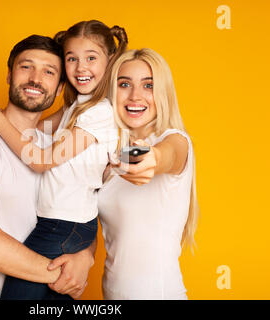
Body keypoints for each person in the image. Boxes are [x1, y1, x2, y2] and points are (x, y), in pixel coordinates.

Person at [0, 20, 128, 300]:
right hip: (65, 224)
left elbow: (41, 161)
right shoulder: (76, 106)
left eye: (91, 58)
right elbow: (35, 130)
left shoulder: (98, 113)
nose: (81, 67)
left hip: (63, 224)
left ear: (110, 61)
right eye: (72, 59)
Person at [0, 35, 95, 300]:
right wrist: (62, 275)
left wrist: (86, 256)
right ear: (9, 75)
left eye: (49, 72)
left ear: (60, 87)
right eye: (26, 66)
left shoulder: (55, 149)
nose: (35, 79)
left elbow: (82, 213)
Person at [97, 48, 200, 300]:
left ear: (163, 93)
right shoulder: (108, 154)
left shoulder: (175, 140)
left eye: (148, 85)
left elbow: (168, 154)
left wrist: (152, 157)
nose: (135, 96)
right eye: (124, 84)